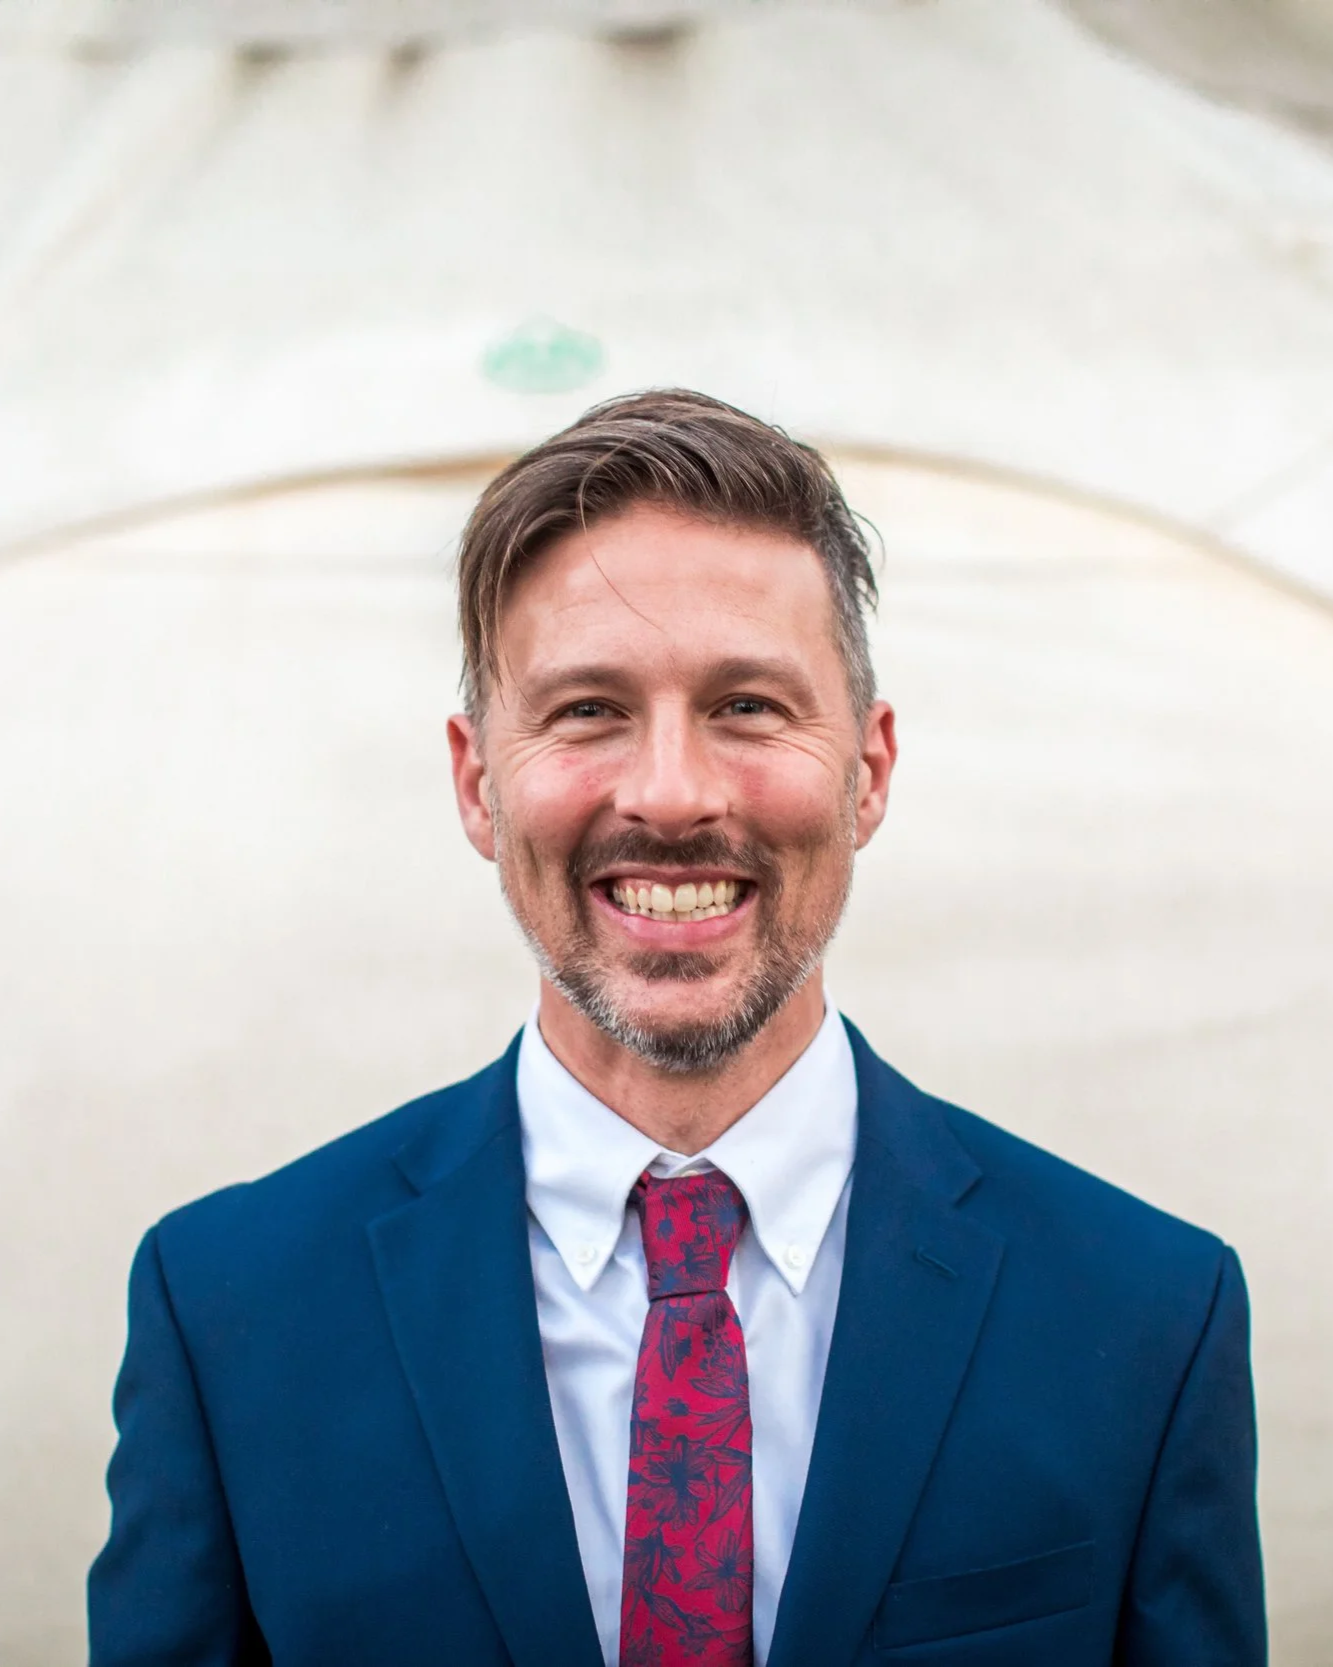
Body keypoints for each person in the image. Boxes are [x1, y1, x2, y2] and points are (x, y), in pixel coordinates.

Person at [88, 390, 1265, 1666]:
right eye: (588, 709)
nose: (669, 793)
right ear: (477, 781)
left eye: (746, 704)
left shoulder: (1145, 1315)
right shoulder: (232, 1312)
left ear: (867, 771)